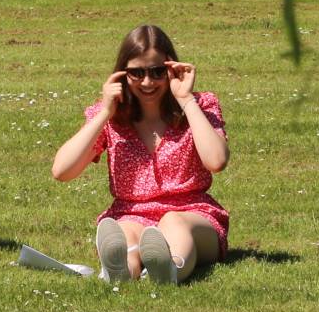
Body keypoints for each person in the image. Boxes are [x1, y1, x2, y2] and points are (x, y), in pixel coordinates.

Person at [51, 24, 229, 284]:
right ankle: (124, 271)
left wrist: (186, 99)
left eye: (157, 71)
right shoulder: (112, 117)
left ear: (172, 68)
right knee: (122, 232)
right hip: (131, 213)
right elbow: (61, 171)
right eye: (137, 73)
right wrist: (104, 113)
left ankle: (170, 268)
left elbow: (217, 161)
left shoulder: (201, 106)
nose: (148, 82)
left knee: (173, 222)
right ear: (123, 74)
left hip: (193, 214)